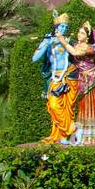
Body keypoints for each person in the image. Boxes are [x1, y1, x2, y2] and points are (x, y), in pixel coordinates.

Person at [31, 13, 78, 144]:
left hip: (69, 76)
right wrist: (46, 43)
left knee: (68, 109)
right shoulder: (47, 41)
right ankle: (70, 131)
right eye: (61, 26)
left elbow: (78, 53)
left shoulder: (68, 41)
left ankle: (65, 136)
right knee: (53, 105)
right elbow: (34, 59)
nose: (63, 29)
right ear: (56, 27)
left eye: (65, 27)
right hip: (55, 77)